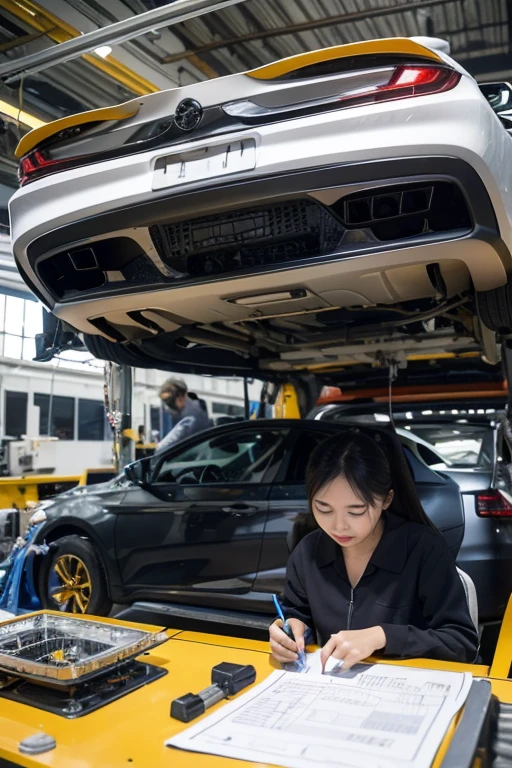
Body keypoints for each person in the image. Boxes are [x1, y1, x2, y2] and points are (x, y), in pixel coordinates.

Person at [269, 429, 478, 671]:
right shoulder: (307, 553)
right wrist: (292, 628)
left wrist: (383, 636)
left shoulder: (423, 549)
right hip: (333, 690)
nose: (338, 526)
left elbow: (461, 642)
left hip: (407, 688)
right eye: (324, 509)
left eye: (356, 511)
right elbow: (298, 614)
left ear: (386, 500)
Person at [155, 377, 212, 453]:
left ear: (181, 397)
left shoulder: (191, 417)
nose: (167, 407)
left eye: (168, 401)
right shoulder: (197, 408)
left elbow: (162, 448)